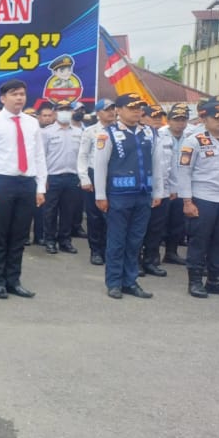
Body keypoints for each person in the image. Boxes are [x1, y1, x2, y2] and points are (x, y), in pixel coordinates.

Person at [0, 79, 46, 299]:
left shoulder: (31, 123)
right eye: (14, 94)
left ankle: (14, 280)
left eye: (22, 94)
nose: (19, 98)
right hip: (2, 182)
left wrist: (40, 188)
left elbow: (39, 156)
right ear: (3, 98)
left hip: (26, 183)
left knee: (19, 236)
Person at [93, 94, 162, 299]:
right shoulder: (108, 134)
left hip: (143, 195)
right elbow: (99, 167)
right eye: (131, 107)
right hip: (118, 195)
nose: (136, 111)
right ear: (119, 110)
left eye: (139, 108)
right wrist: (100, 195)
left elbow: (158, 164)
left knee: (135, 241)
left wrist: (158, 191)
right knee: (116, 240)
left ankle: (130, 281)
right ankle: (114, 282)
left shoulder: (150, 133)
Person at [177, 99, 219, 298]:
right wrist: (187, 201)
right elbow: (183, 172)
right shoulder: (194, 140)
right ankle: (194, 281)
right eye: (216, 117)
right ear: (204, 118)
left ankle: (215, 280)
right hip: (203, 199)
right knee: (199, 241)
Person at [41, 100, 82, 255]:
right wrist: (42, 179)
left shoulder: (79, 132)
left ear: (72, 112)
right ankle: (50, 240)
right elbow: (42, 156)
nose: (65, 112)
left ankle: (65, 240)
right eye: (61, 109)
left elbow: (81, 157)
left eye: (68, 109)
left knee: (68, 211)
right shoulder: (47, 132)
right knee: (50, 211)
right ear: (55, 112)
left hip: (72, 177)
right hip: (53, 177)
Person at [79, 99, 117, 266]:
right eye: (106, 109)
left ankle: (110, 249)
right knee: (95, 215)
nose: (111, 112)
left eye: (112, 109)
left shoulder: (119, 130)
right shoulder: (90, 131)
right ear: (98, 113)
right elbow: (83, 155)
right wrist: (84, 178)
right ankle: (96, 251)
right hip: (94, 174)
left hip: (114, 176)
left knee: (113, 215)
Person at [140, 104, 173, 277]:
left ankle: (150, 261)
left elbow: (171, 165)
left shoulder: (165, 137)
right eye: (153, 116)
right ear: (142, 117)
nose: (157, 120)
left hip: (164, 190)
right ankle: (136, 261)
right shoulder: (140, 137)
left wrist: (173, 187)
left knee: (156, 229)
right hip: (144, 189)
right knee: (140, 229)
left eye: (160, 116)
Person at [160, 103, 191, 266]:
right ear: (169, 120)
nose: (180, 123)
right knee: (158, 223)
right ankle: (150, 255)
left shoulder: (190, 137)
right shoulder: (159, 135)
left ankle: (171, 253)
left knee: (177, 223)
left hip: (182, 188)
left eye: (183, 120)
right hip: (163, 188)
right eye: (176, 119)